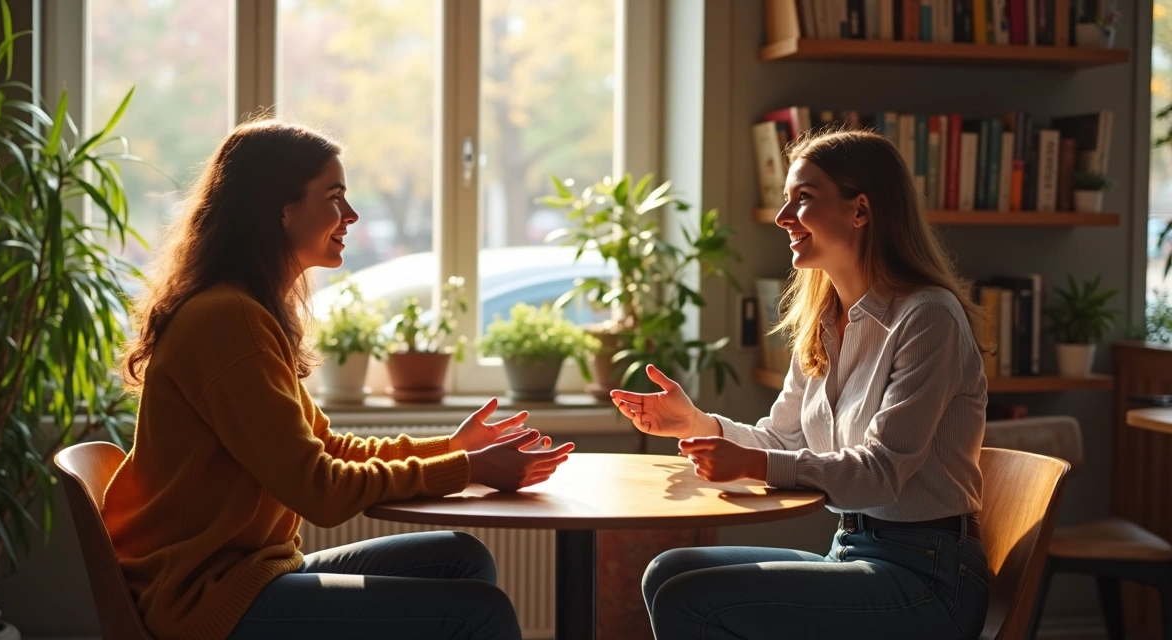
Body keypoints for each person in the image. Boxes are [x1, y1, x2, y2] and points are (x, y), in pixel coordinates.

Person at [104, 120, 573, 640]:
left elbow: (325, 447)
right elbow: (319, 490)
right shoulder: (226, 320)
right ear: (280, 209)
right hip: (209, 600)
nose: (350, 215)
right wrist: (464, 468)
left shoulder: (245, 310)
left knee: (461, 559)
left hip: (252, 576)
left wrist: (452, 448)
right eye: (334, 197)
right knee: (478, 613)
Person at [611, 129, 993, 640]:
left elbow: (882, 472)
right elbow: (784, 439)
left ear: (860, 211)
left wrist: (752, 463)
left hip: (928, 577)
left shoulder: (928, 318)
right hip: (852, 550)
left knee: (690, 600)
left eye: (803, 199)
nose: (782, 217)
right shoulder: (823, 319)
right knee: (669, 573)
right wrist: (699, 425)